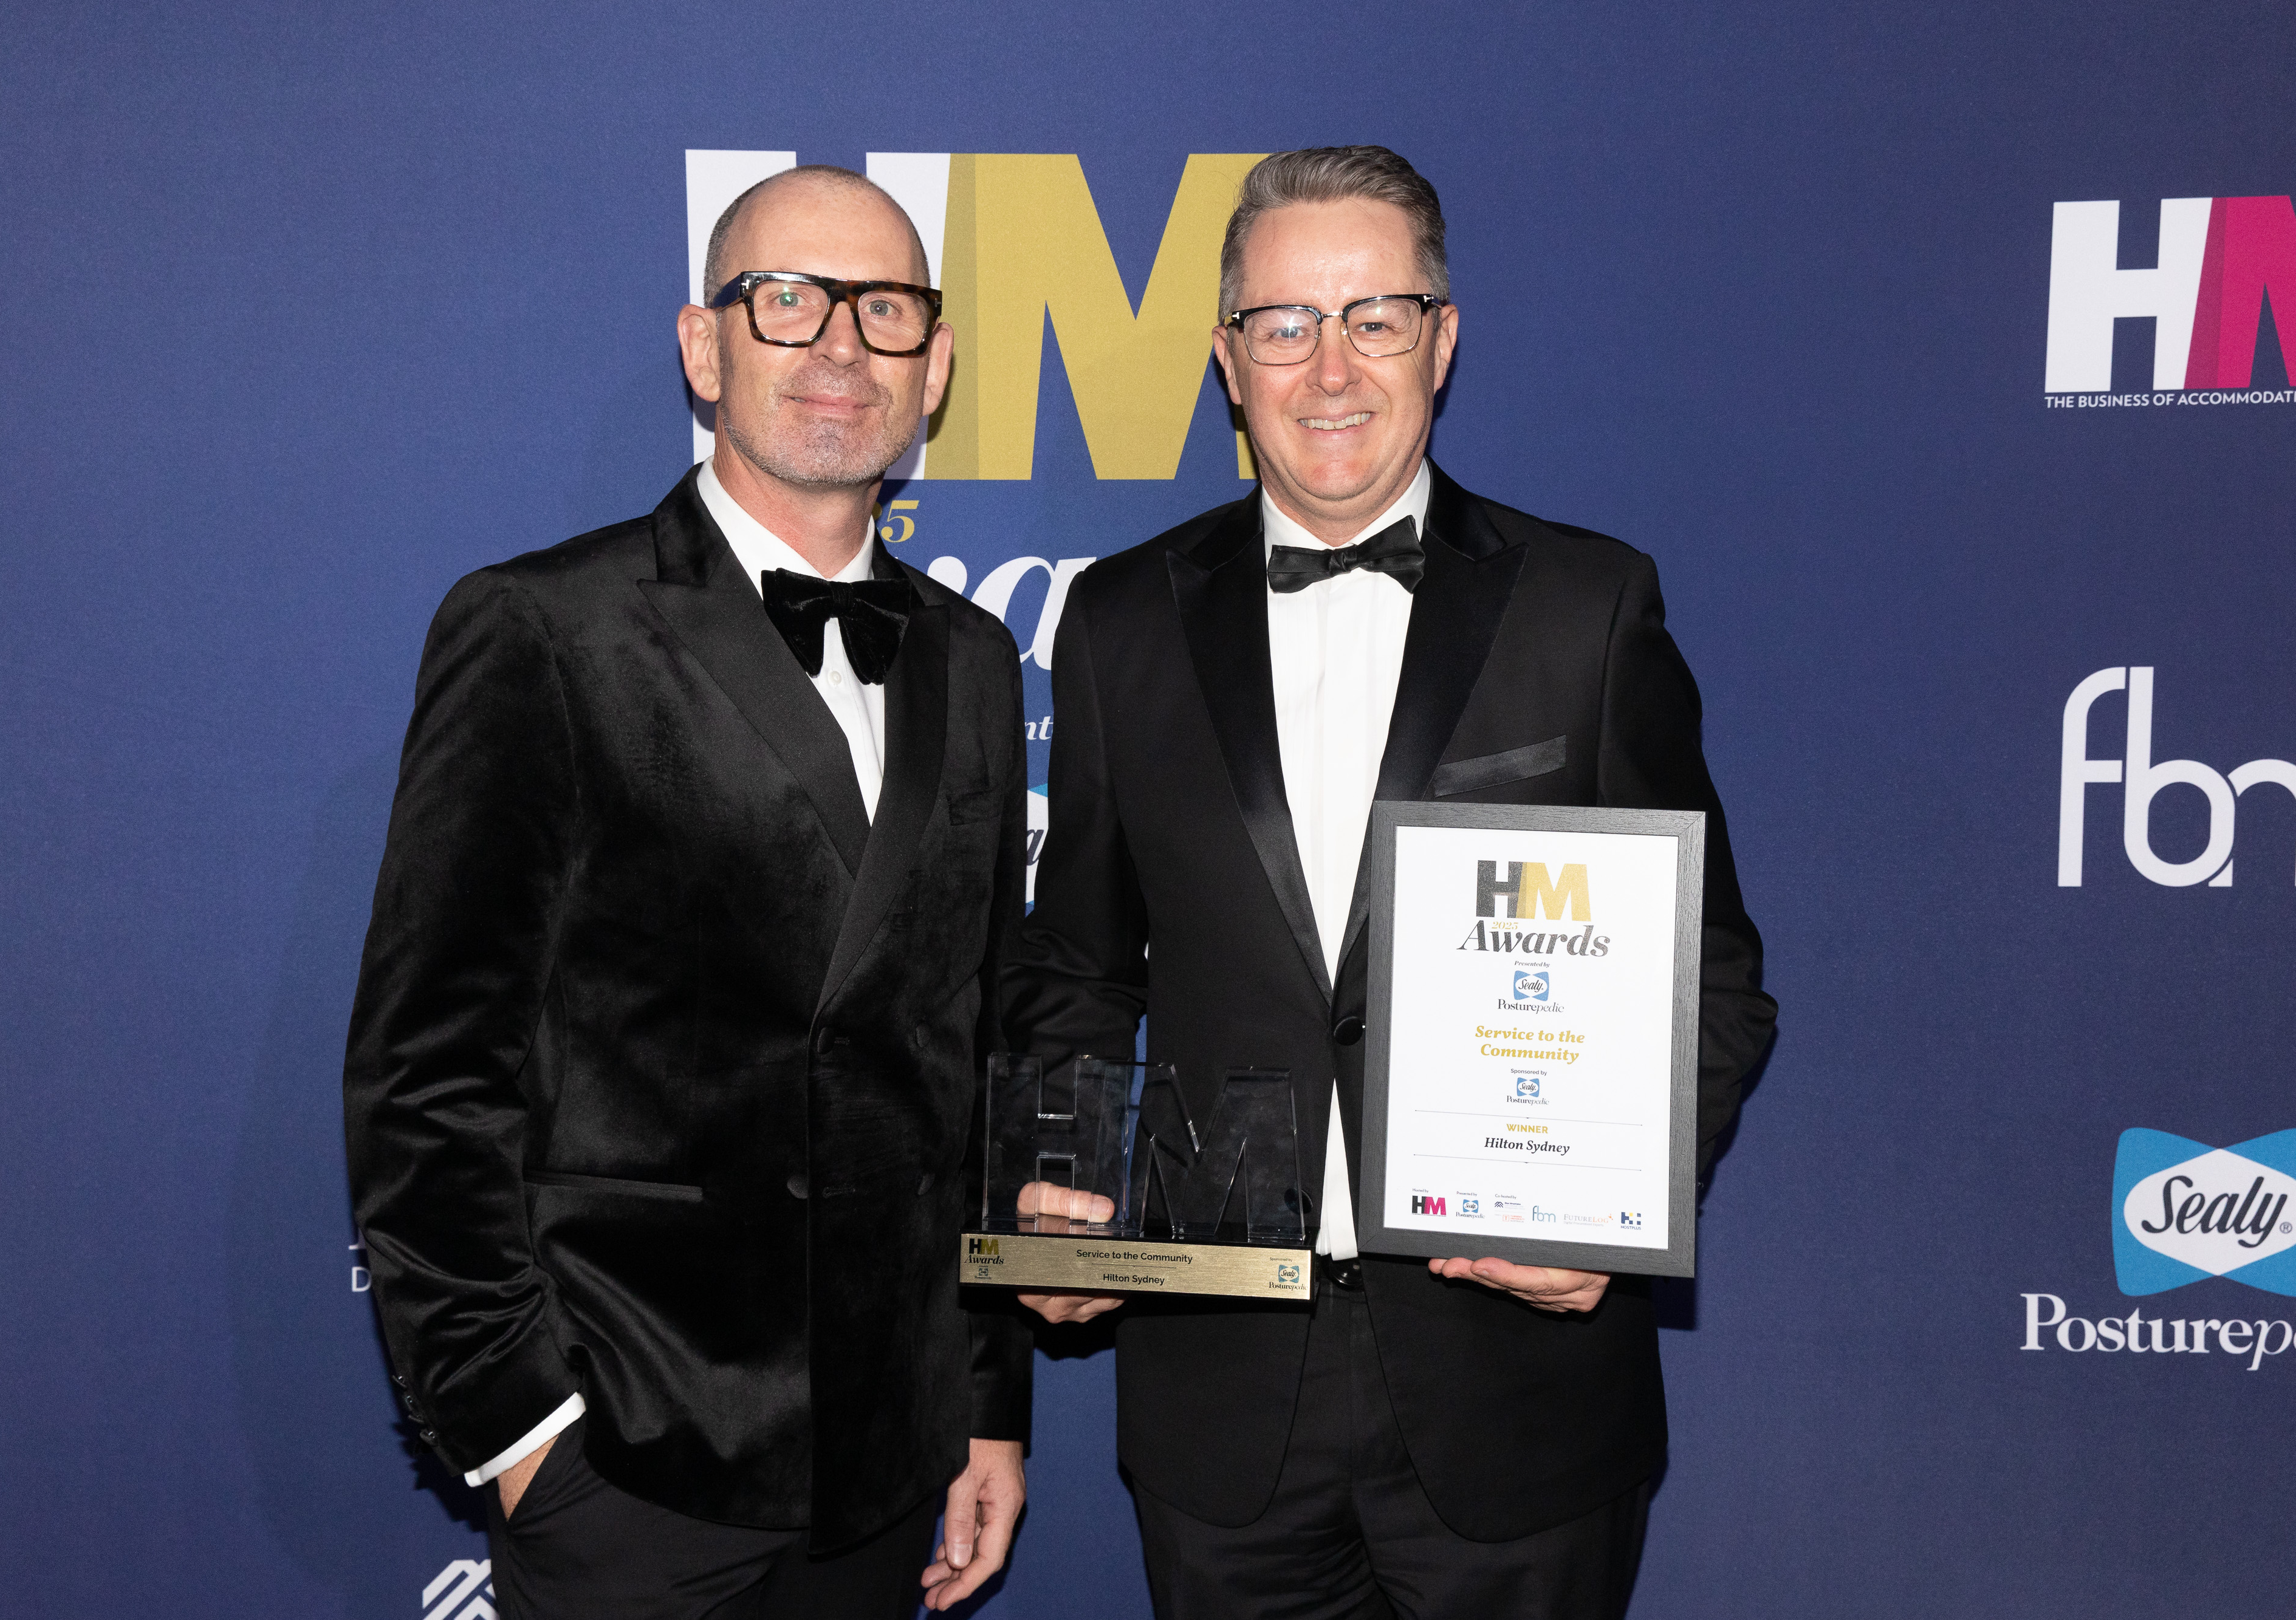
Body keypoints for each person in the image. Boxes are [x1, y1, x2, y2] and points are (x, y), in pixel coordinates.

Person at [1004, 146, 1776, 1618]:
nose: (1328, 368)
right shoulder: (1117, 619)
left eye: (1373, 316)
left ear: (1442, 336)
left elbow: (1713, 980)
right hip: (1221, 1395)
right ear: (1226, 359)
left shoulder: (1585, 604)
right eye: (1284, 323)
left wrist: (1619, 1207)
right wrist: (1064, 1174)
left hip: (1519, 1391)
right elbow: (1080, 971)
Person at [344, 164, 1030, 1619]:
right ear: (703, 348)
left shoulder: (974, 659)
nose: (839, 342)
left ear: (935, 366)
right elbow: (426, 1074)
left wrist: (982, 1394)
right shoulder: (542, 628)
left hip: (883, 1467)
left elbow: (962, 1062)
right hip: (632, 1461)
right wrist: (519, 1431)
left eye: (885, 309)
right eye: (787, 301)